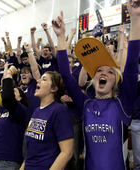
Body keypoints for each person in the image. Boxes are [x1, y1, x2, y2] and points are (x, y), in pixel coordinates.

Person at [53, 1, 140, 169]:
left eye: (109, 72)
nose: (103, 73)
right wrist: (61, 37)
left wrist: (135, 18)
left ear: (115, 81)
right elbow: (65, 74)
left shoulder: (122, 105)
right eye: (99, 70)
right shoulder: (85, 104)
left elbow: (130, 68)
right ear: (93, 79)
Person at [20, 71, 74, 170]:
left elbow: (67, 152)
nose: (38, 81)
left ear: (54, 88)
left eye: (44, 79)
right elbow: (30, 151)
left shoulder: (59, 110)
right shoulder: (36, 111)